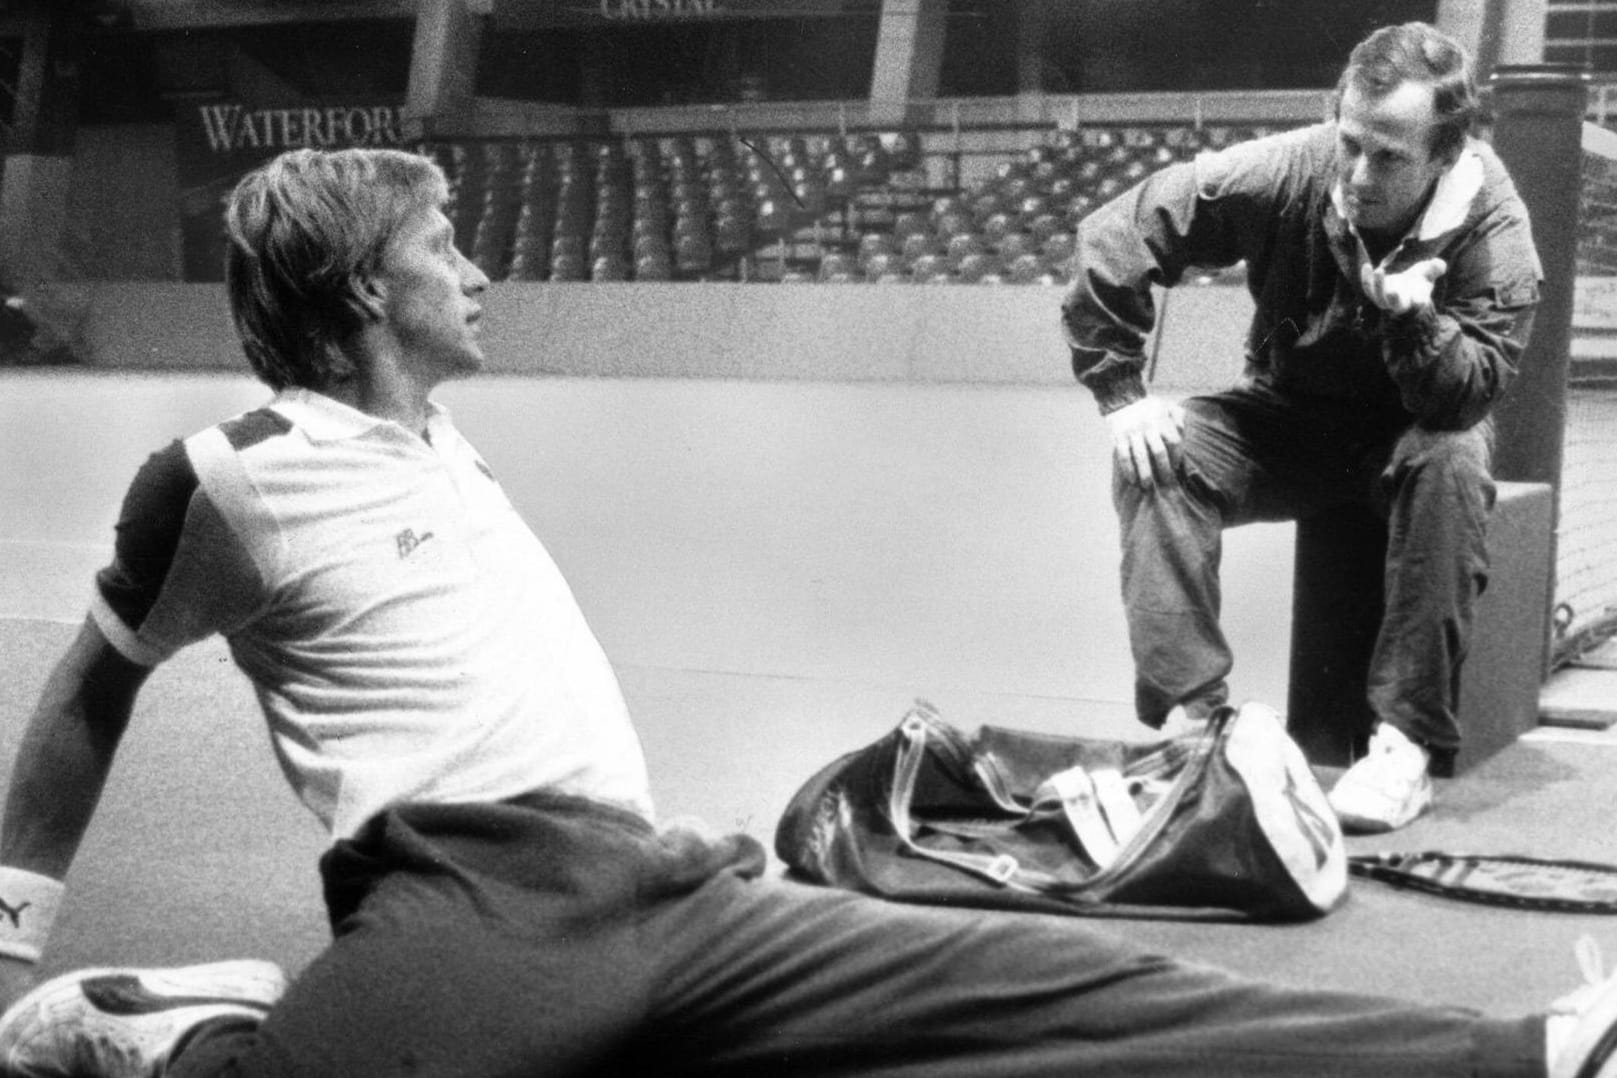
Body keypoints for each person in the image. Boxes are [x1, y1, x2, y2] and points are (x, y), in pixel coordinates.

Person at [0, 143, 1610, 1078]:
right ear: (363, 294)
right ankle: (166, 1031)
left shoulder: (433, 431)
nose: (477, 270)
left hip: (655, 878)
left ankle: (1524, 1058)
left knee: (1055, 997)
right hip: (468, 905)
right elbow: (92, 687)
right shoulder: (226, 474)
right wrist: (12, 936)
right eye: (443, 245)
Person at [1060, 21, 1542, 834]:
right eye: (1350, 141)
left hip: (1410, 431)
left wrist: (1416, 323)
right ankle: (1197, 723)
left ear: (1445, 151)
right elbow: (1121, 228)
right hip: (1288, 420)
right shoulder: (1290, 167)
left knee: (1453, 461)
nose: (1357, 174)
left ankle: (1403, 744)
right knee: (1158, 456)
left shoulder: (1494, 228)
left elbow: (1461, 400)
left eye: (1389, 157)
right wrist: (1119, 388)